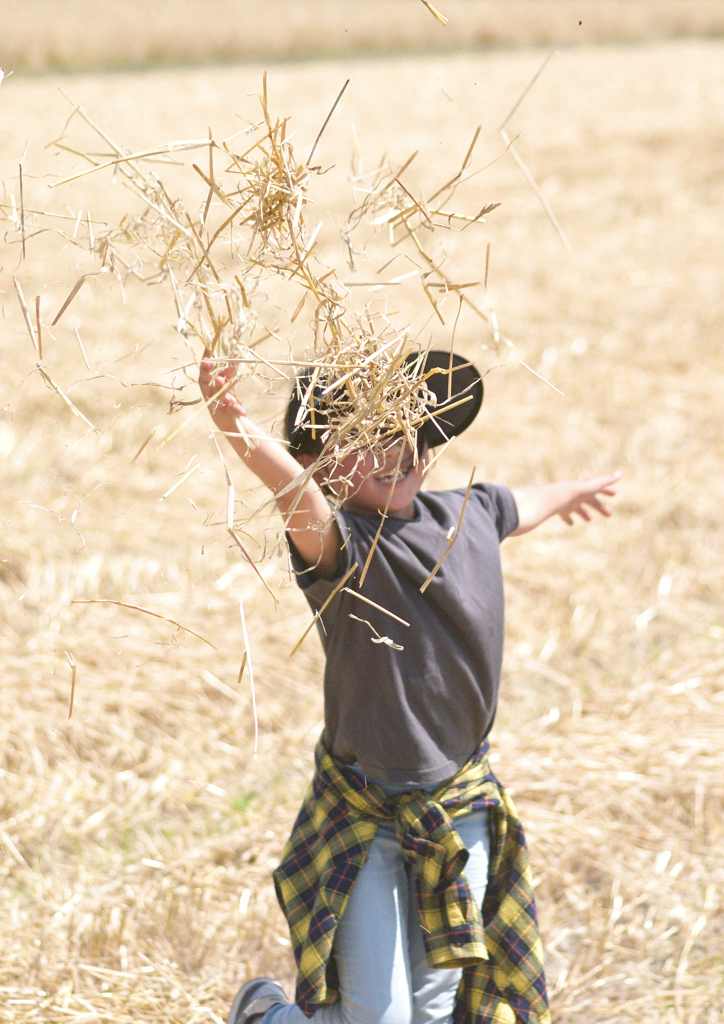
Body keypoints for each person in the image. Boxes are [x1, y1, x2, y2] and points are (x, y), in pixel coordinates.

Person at [198, 349, 620, 1024]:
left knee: (434, 1009)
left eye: (408, 429)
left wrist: (571, 492)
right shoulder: (343, 546)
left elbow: (522, 505)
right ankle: (265, 1013)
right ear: (322, 462)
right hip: (368, 816)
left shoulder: (471, 512)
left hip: (462, 807)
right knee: (379, 1018)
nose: (398, 448)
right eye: (366, 437)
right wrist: (233, 424)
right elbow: (292, 495)